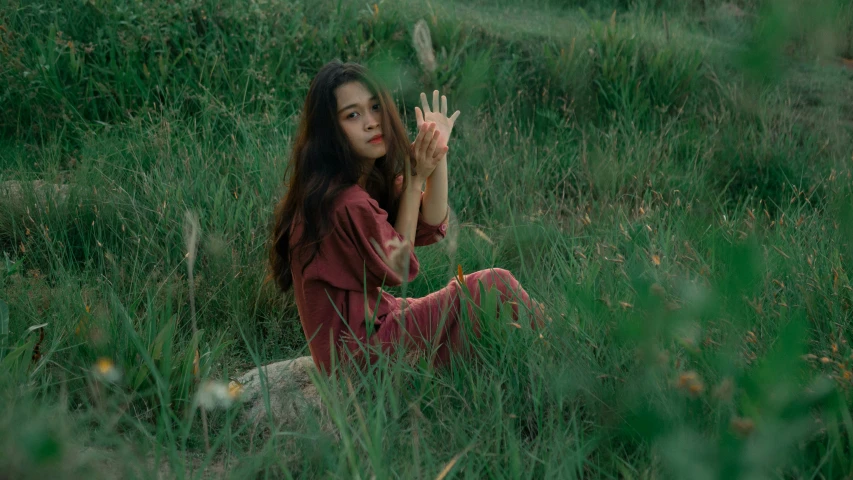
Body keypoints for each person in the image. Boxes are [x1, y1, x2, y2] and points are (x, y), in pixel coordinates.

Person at [269, 60, 546, 373]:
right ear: (329, 131)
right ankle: (554, 345)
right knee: (493, 283)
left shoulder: (356, 184)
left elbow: (432, 221)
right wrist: (415, 181)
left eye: (375, 107)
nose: (372, 122)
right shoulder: (345, 202)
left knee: (466, 305)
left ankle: (538, 347)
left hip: (368, 336)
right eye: (353, 115)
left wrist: (436, 153)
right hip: (362, 355)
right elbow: (398, 268)